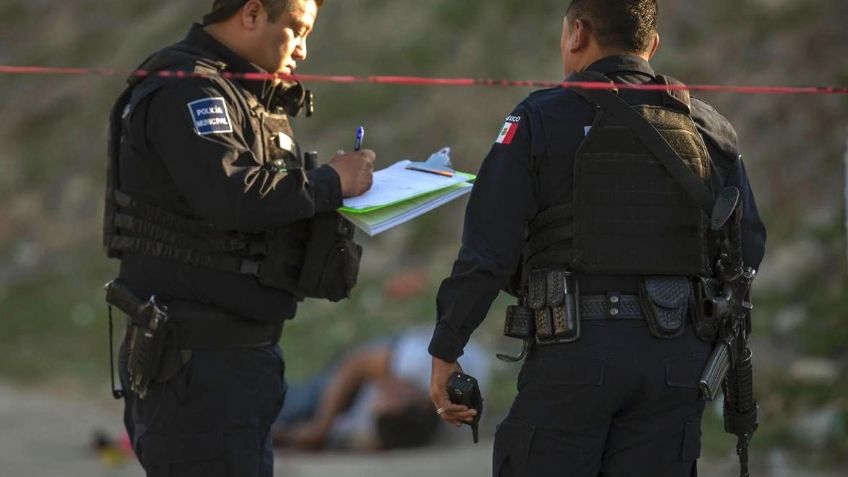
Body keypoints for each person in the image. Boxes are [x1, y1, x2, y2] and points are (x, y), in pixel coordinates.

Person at [428, 1, 767, 476]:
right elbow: (747, 247)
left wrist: (446, 348)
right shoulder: (710, 128)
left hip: (574, 354)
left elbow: (487, 251)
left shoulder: (537, 119)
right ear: (651, 45)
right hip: (675, 363)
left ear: (576, 34)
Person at [102, 1, 375, 476]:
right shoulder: (188, 88)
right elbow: (233, 197)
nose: (304, 50)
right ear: (251, 14)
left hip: (236, 360)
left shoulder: (239, 91)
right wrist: (331, 182)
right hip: (195, 364)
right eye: (296, 30)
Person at [272, 326, 490, 452]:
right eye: (391, 393)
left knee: (295, 427)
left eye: (383, 396)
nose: (382, 387)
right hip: (394, 352)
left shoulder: (414, 424)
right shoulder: (422, 364)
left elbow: (369, 436)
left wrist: (291, 437)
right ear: (423, 402)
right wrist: (321, 426)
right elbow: (355, 364)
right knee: (307, 402)